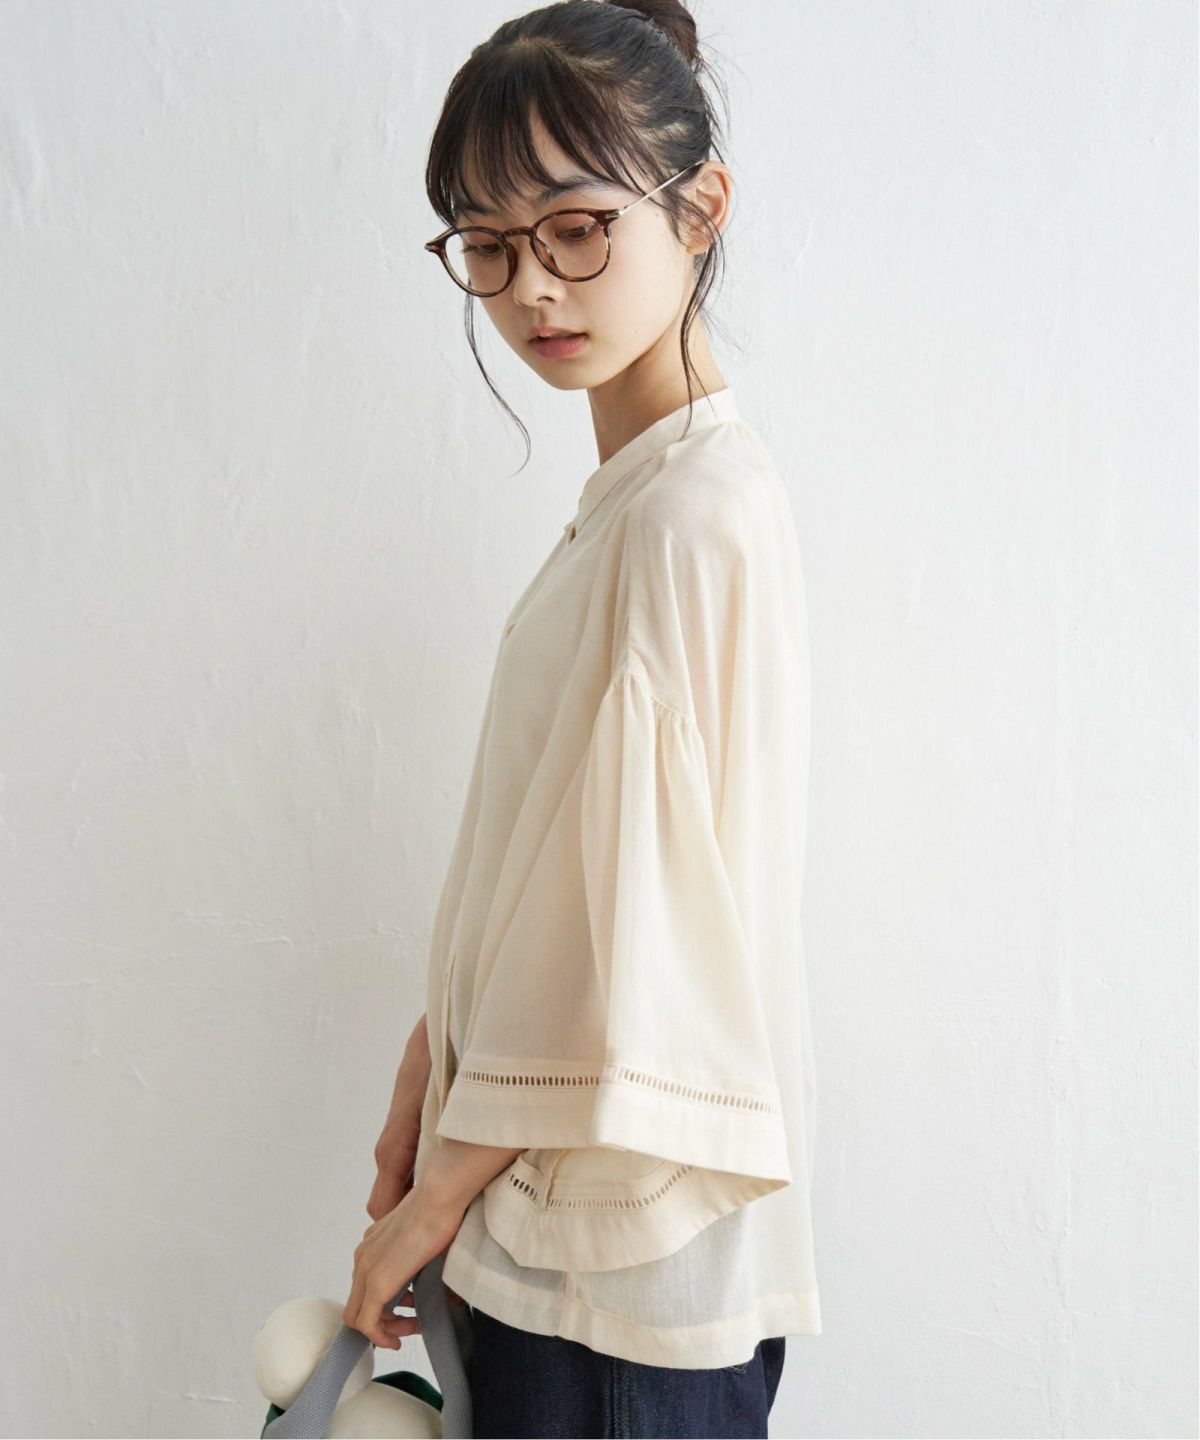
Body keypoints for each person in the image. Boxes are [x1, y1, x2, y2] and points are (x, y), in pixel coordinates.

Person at [353, 2, 821, 1435]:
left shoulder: (685, 518)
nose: (532, 289)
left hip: (612, 1285)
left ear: (700, 209)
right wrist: (424, 1077)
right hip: (566, 1243)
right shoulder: (642, 503)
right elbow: (546, 876)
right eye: (487, 245)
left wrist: (431, 1199)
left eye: (574, 228)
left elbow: (622, 942)